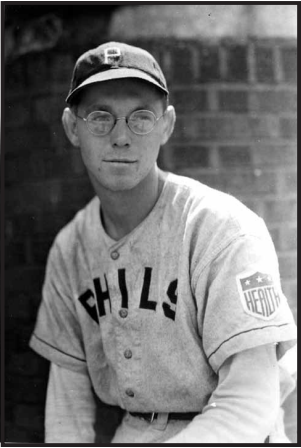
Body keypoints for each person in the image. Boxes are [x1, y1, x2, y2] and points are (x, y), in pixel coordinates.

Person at [29, 41, 297, 444]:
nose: (121, 137)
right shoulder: (70, 248)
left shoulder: (222, 229)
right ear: (72, 128)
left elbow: (250, 403)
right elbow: (67, 409)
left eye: (141, 118)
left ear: (166, 125)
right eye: (101, 118)